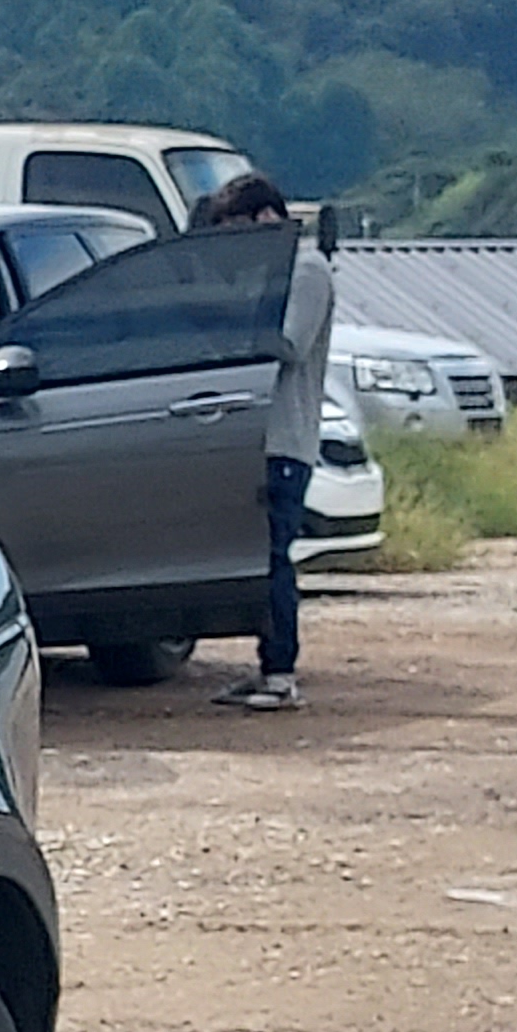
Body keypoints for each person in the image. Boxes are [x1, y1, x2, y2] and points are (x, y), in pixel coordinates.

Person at [204, 170, 333, 711]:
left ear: (267, 218)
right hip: (252, 434)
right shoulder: (269, 271)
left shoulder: (306, 269)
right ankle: (263, 664)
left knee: (275, 554)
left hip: (285, 436)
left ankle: (281, 670)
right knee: (255, 556)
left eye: (239, 231)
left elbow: (287, 342)